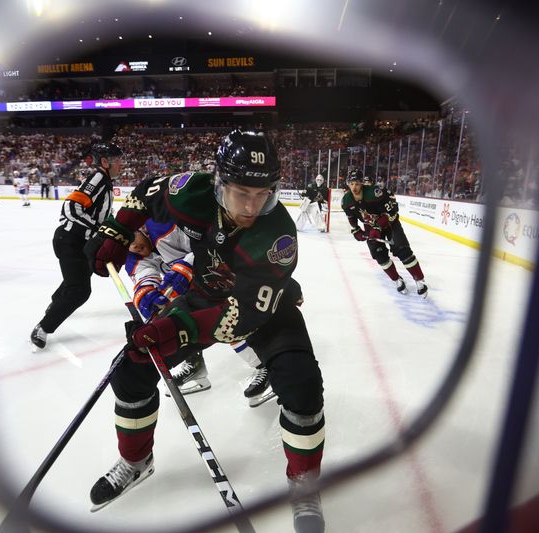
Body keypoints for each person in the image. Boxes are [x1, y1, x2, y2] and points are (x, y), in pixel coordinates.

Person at [84, 130, 325, 532]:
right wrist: (118, 230)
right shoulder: (191, 191)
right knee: (130, 367)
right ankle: (136, 461)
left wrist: (177, 329)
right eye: (241, 193)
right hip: (206, 293)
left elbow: (242, 317)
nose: (252, 206)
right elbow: (147, 191)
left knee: (301, 385)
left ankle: (305, 484)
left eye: (263, 194)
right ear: (219, 184)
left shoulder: (277, 235)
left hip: (266, 307)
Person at [125, 221, 279, 406]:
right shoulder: (134, 254)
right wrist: (146, 292)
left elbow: (211, 242)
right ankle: (195, 366)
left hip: (223, 272)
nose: (132, 246)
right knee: (175, 318)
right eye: (126, 245)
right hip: (195, 287)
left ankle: (265, 365)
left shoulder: (163, 227)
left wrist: (185, 267)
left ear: (139, 228)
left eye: (131, 238)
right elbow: (144, 273)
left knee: (229, 321)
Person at [29, 142, 124, 350]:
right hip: (70, 241)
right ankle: (43, 327)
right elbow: (71, 208)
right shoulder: (98, 178)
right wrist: (97, 231)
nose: (121, 164)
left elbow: (101, 215)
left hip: (80, 242)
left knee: (77, 279)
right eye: (117, 160)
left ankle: (55, 304)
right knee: (79, 290)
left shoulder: (105, 182)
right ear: (105, 162)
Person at [342, 169, 428, 297]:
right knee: (379, 255)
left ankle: (419, 279)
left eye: (357, 184)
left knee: (402, 250)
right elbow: (351, 217)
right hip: (371, 226)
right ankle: (397, 279)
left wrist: (378, 227)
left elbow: (391, 212)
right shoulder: (347, 201)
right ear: (348, 183)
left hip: (389, 224)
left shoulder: (374, 193)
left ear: (362, 184)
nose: (354, 187)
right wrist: (356, 229)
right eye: (351, 183)